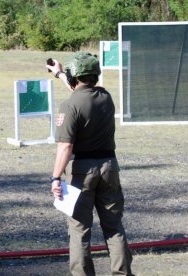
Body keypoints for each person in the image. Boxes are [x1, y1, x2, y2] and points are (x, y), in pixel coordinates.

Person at [46, 52, 133, 275]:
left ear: (75, 75)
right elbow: (83, 93)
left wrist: (55, 177)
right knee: (114, 228)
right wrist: (60, 73)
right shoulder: (106, 97)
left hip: (81, 172)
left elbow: (65, 147)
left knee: (79, 231)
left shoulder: (69, 105)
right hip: (109, 167)